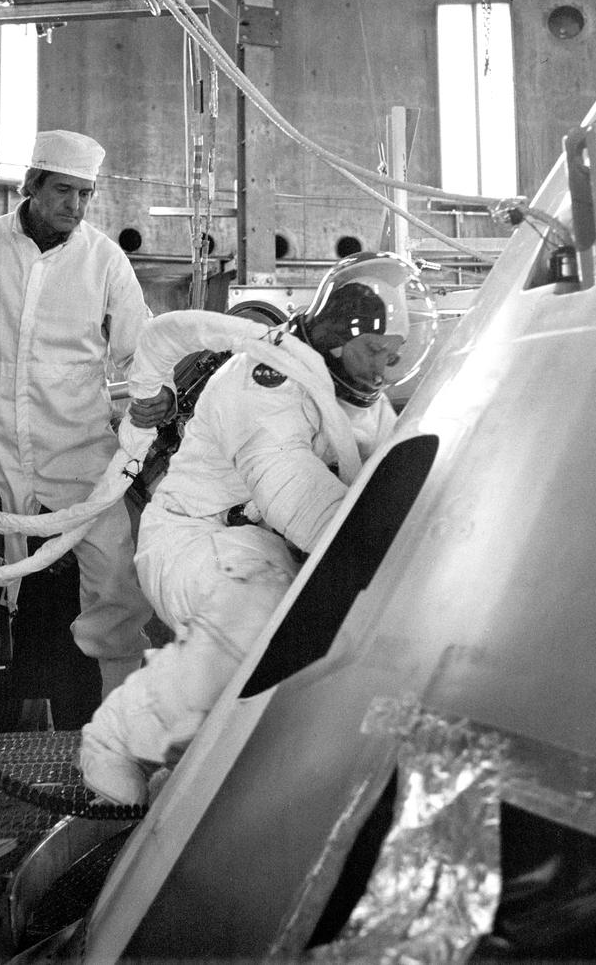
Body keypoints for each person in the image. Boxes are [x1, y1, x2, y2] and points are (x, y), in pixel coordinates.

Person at [78, 253, 437, 805]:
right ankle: (117, 739)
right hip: (198, 540)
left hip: (268, 547)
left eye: (392, 357)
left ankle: (192, 773)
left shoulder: (358, 396)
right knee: (259, 610)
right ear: (338, 338)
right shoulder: (266, 380)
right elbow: (293, 492)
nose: (382, 370)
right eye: (374, 352)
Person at [0, 130, 156, 730]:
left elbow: (142, 352)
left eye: (86, 194)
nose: (76, 207)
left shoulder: (104, 259)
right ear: (31, 185)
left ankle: (119, 737)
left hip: (81, 455)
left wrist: (151, 412)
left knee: (115, 582)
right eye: (64, 191)